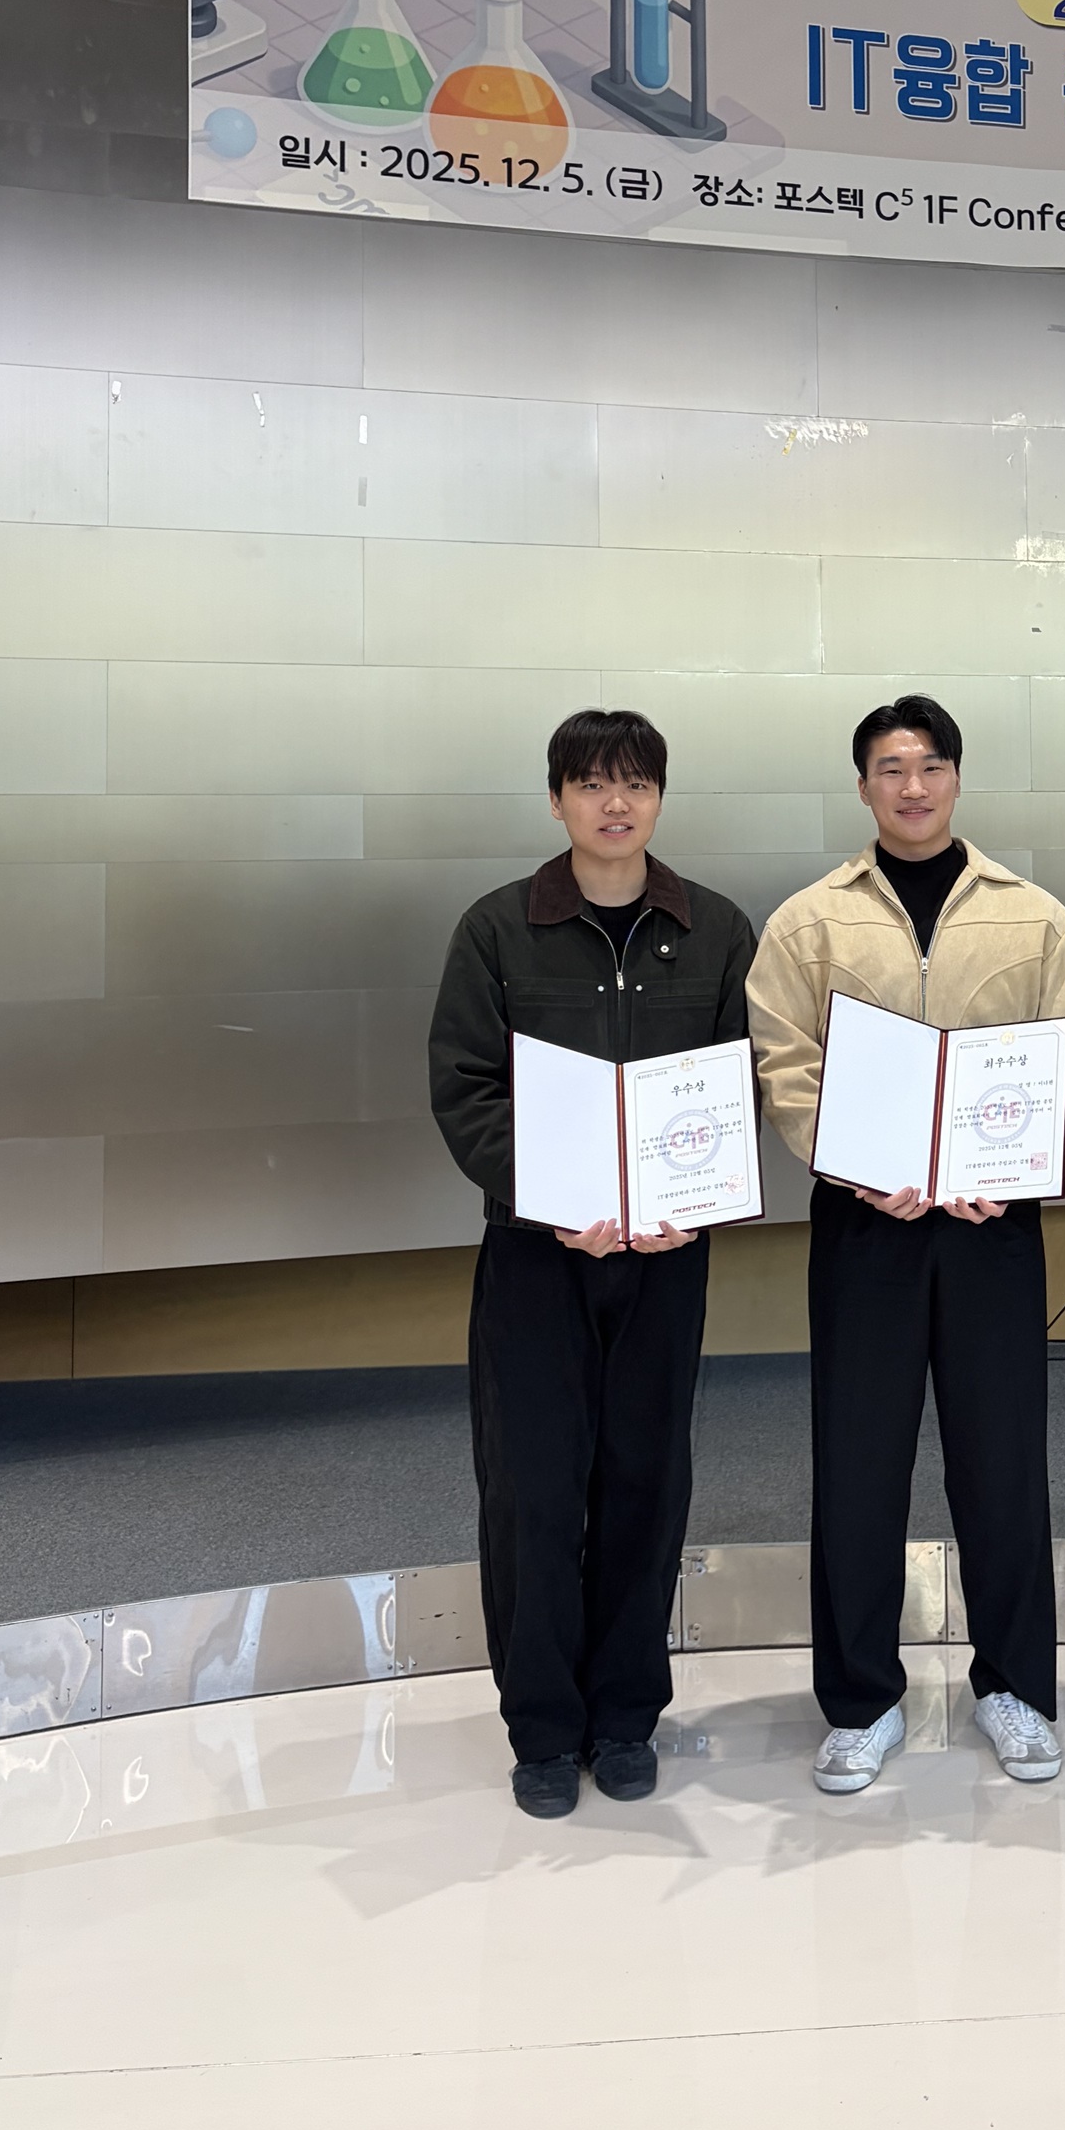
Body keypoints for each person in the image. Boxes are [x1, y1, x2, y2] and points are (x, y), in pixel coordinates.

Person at [747, 694, 1065, 1795]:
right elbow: (783, 1061)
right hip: (867, 1225)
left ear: (956, 778)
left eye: (931, 765)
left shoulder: (1034, 918)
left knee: (1005, 1462)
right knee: (858, 1464)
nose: (912, 785)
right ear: (863, 785)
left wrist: (1019, 1163)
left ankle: (1016, 1690)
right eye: (891, 768)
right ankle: (860, 1703)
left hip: (994, 1228)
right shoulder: (809, 922)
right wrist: (849, 1161)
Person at [428, 708, 755, 1820]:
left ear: (659, 797)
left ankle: (624, 1718)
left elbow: (739, 1081)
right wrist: (554, 1199)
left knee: (645, 1484)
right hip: (536, 1255)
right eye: (592, 784)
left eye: (636, 784)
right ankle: (540, 1727)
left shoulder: (714, 928)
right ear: (557, 798)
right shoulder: (497, 930)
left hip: (667, 1257)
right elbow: (465, 1087)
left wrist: (689, 1208)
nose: (616, 804)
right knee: (532, 1488)